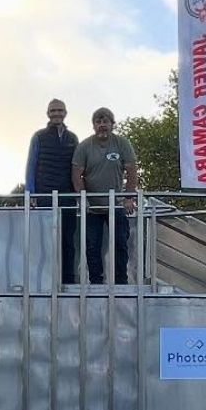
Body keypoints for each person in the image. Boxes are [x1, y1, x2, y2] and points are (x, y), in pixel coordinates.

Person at [71, 107, 138, 285]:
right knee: (92, 246)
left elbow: (132, 170)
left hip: (116, 204)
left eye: (105, 121)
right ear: (93, 125)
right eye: (98, 122)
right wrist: (83, 198)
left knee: (120, 243)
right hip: (92, 207)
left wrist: (129, 197)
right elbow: (76, 174)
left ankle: (121, 282)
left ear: (112, 124)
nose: (102, 125)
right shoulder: (84, 146)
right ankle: (96, 283)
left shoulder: (122, 143)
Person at [24, 99, 79, 284]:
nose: (57, 113)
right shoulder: (39, 137)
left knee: (68, 241)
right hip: (44, 196)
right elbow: (31, 165)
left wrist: (79, 193)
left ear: (65, 113)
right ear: (48, 113)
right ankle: (44, 281)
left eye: (60, 110)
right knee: (45, 241)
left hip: (68, 196)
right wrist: (30, 193)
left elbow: (77, 168)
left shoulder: (73, 138)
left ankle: (68, 281)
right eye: (53, 110)